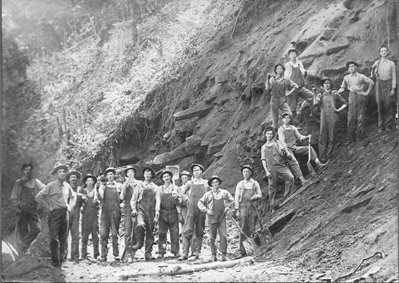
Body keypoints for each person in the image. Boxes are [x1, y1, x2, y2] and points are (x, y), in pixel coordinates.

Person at [36, 162, 76, 268]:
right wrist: (48, 206)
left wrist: (70, 207)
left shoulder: (67, 185)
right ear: (56, 174)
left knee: (64, 238)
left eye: (64, 171)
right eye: (60, 172)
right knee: (54, 238)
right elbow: (39, 196)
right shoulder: (51, 185)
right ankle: (55, 260)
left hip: (65, 214)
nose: (62, 173)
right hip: (54, 214)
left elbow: (73, 197)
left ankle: (61, 260)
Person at [10, 163, 45, 253]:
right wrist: (16, 207)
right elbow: (14, 196)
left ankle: (21, 245)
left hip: (33, 210)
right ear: (23, 171)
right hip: (22, 210)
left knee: (37, 229)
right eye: (26, 169)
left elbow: (45, 189)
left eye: (30, 170)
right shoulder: (19, 182)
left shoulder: (36, 182)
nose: (28, 171)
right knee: (23, 231)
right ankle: (22, 252)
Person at [198, 176, 234, 262]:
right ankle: (213, 255)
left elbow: (232, 200)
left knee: (224, 236)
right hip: (211, 218)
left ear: (219, 183)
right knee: (212, 237)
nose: (215, 184)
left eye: (216, 182)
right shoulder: (208, 194)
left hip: (222, 218)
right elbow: (200, 202)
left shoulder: (224, 192)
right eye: (213, 183)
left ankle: (224, 255)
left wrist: (228, 207)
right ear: (211, 184)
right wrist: (206, 210)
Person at [260, 127, 297, 211]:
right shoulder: (263, 147)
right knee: (272, 187)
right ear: (265, 135)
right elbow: (263, 160)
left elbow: (281, 151)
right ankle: (272, 206)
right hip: (270, 169)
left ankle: (288, 196)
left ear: (273, 135)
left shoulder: (277, 143)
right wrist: (266, 171)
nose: (269, 135)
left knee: (290, 177)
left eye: (271, 134)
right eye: (268, 134)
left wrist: (283, 152)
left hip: (280, 165)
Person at [338, 61, 374, 143]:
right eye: (349, 66)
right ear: (348, 68)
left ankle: (359, 138)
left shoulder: (361, 76)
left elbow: (371, 82)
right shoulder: (346, 77)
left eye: (353, 66)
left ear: (356, 67)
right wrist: (337, 92)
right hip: (351, 97)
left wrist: (367, 92)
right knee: (351, 117)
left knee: (360, 117)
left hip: (360, 96)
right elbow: (343, 87)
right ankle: (350, 139)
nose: (351, 68)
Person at [179, 164, 209, 261]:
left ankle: (196, 252)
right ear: (193, 172)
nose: (196, 172)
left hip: (202, 209)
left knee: (199, 230)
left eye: (198, 170)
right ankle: (185, 253)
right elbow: (182, 193)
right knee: (187, 230)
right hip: (191, 208)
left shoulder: (206, 183)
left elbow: (210, 194)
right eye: (195, 170)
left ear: (201, 171)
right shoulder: (190, 183)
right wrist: (187, 199)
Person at [314, 78, 348, 162]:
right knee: (322, 137)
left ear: (330, 85)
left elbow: (345, 103)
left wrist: (338, 110)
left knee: (332, 137)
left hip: (333, 116)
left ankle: (329, 156)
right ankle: (322, 158)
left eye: (328, 83)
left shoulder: (335, 94)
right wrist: (316, 96)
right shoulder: (320, 95)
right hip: (323, 117)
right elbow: (316, 104)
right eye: (325, 84)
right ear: (323, 86)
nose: (327, 85)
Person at [130, 167, 160, 261]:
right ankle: (139, 242)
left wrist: (157, 212)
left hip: (151, 211)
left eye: (149, 173)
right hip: (140, 210)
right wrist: (133, 208)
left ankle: (148, 253)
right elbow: (133, 199)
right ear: (144, 175)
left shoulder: (155, 187)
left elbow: (158, 200)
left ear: (152, 175)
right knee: (140, 225)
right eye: (146, 173)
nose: (147, 175)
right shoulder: (139, 185)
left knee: (150, 233)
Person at [234, 165, 262, 258]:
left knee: (252, 227)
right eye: (244, 172)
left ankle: (252, 250)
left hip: (252, 207)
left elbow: (260, 194)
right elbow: (237, 197)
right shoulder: (240, 184)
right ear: (242, 173)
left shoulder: (255, 183)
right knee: (242, 228)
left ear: (250, 173)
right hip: (243, 207)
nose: (246, 173)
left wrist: (256, 196)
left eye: (247, 172)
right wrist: (237, 209)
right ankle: (242, 251)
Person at [98, 167, 122, 262]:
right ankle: (103, 255)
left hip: (116, 212)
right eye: (108, 174)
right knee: (104, 234)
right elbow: (100, 198)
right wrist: (101, 188)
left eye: (111, 174)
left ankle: (116, 254)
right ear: (106, 176)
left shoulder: (119, 185)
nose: (110, 176)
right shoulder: (103, 186)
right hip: (105, 212)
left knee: (115, 234)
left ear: (114, 175)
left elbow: (122, 198)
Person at [265, 63, 298, 131]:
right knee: (275, 119)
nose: (279, 69)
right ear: (275, 71)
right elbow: (268, 89)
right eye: (278, 68)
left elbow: (295, 86)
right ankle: (275, 135)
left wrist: (289, 92)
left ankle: (291, 130)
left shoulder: (286, 80)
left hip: (282, 100)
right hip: (274, 100)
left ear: (283, 70)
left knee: (290, 114)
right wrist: (267, 80)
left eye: (281, 68)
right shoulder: (272, 79)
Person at [371, 45, 397, 131]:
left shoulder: (391, 63)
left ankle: (388, 125)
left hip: (388, 83)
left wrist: (393, 88)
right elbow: (372, 76)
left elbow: (394, 76)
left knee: (388, 103)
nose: (384, 52)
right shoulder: (377, 63)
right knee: (379, 104)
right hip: (379, 84)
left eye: (385, 50)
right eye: (382, 51)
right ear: (380, 53)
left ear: (388, 52)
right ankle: (380, 126)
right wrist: (373, 68)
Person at [284, 48, 315, 119]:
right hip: (292, 89)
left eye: (294, 54)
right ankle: (292, 125)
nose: (293, 55)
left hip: (300, 87)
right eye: (291, 54)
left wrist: (304, 72)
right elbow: (286, 77)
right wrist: (287, 89)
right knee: (292, 108)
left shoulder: (299, 63)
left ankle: (311, 114)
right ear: (289, 56)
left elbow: (303, 71)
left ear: (296, 55)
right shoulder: (288, 65)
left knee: (313, 97)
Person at [120, 165, 142, 262]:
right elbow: (121, 197)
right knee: (128, 231)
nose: (130, 173)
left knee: (136, 231)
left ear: (134, 173)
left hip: (138, 208)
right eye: (128, 172)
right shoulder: (125, 184)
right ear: (126, 174)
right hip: (128, 210)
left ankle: (133, 253)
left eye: (132, 172)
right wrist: (124, 187)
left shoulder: (139, 183)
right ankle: (127, 254)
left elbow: (141, 196)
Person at [158, 170, 180, 258]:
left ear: (170, 177)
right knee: (162, 232)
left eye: (168, 176)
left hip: (173, 211)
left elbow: (180, 201)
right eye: (164, 177)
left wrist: (177, 197)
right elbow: (158, 201)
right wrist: (157, 211)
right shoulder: (160, 189)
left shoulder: (175, 188)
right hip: (163, 212)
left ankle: (175, 251)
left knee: (175, 232)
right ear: (162, 179)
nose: (166, 178)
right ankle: (161, 251)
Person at [80, 174, 100, 260]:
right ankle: (83, 254)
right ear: (85, 182)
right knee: (84, 234)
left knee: (95, 234)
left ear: (93, 182)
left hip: (94, 215)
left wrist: (97, 202)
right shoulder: (82, 191)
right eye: (88, 180)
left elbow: (100, 203)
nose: (89, 182)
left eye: (91, 180)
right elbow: (79, 203)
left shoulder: (96, 191)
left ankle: (96, 254)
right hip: (85, 215)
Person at [65, 170, 83, 262]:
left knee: (75, 235)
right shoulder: (65, 188)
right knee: (64, 235)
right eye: (71, 177)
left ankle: (75, 256)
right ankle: (64, 255)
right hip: (66, 213)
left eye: (75, 177)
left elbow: (84, 200)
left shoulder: (80, 189)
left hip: (76, 213)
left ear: (77, 179)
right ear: (69, 179)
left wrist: (81, 196)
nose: (73, 179)